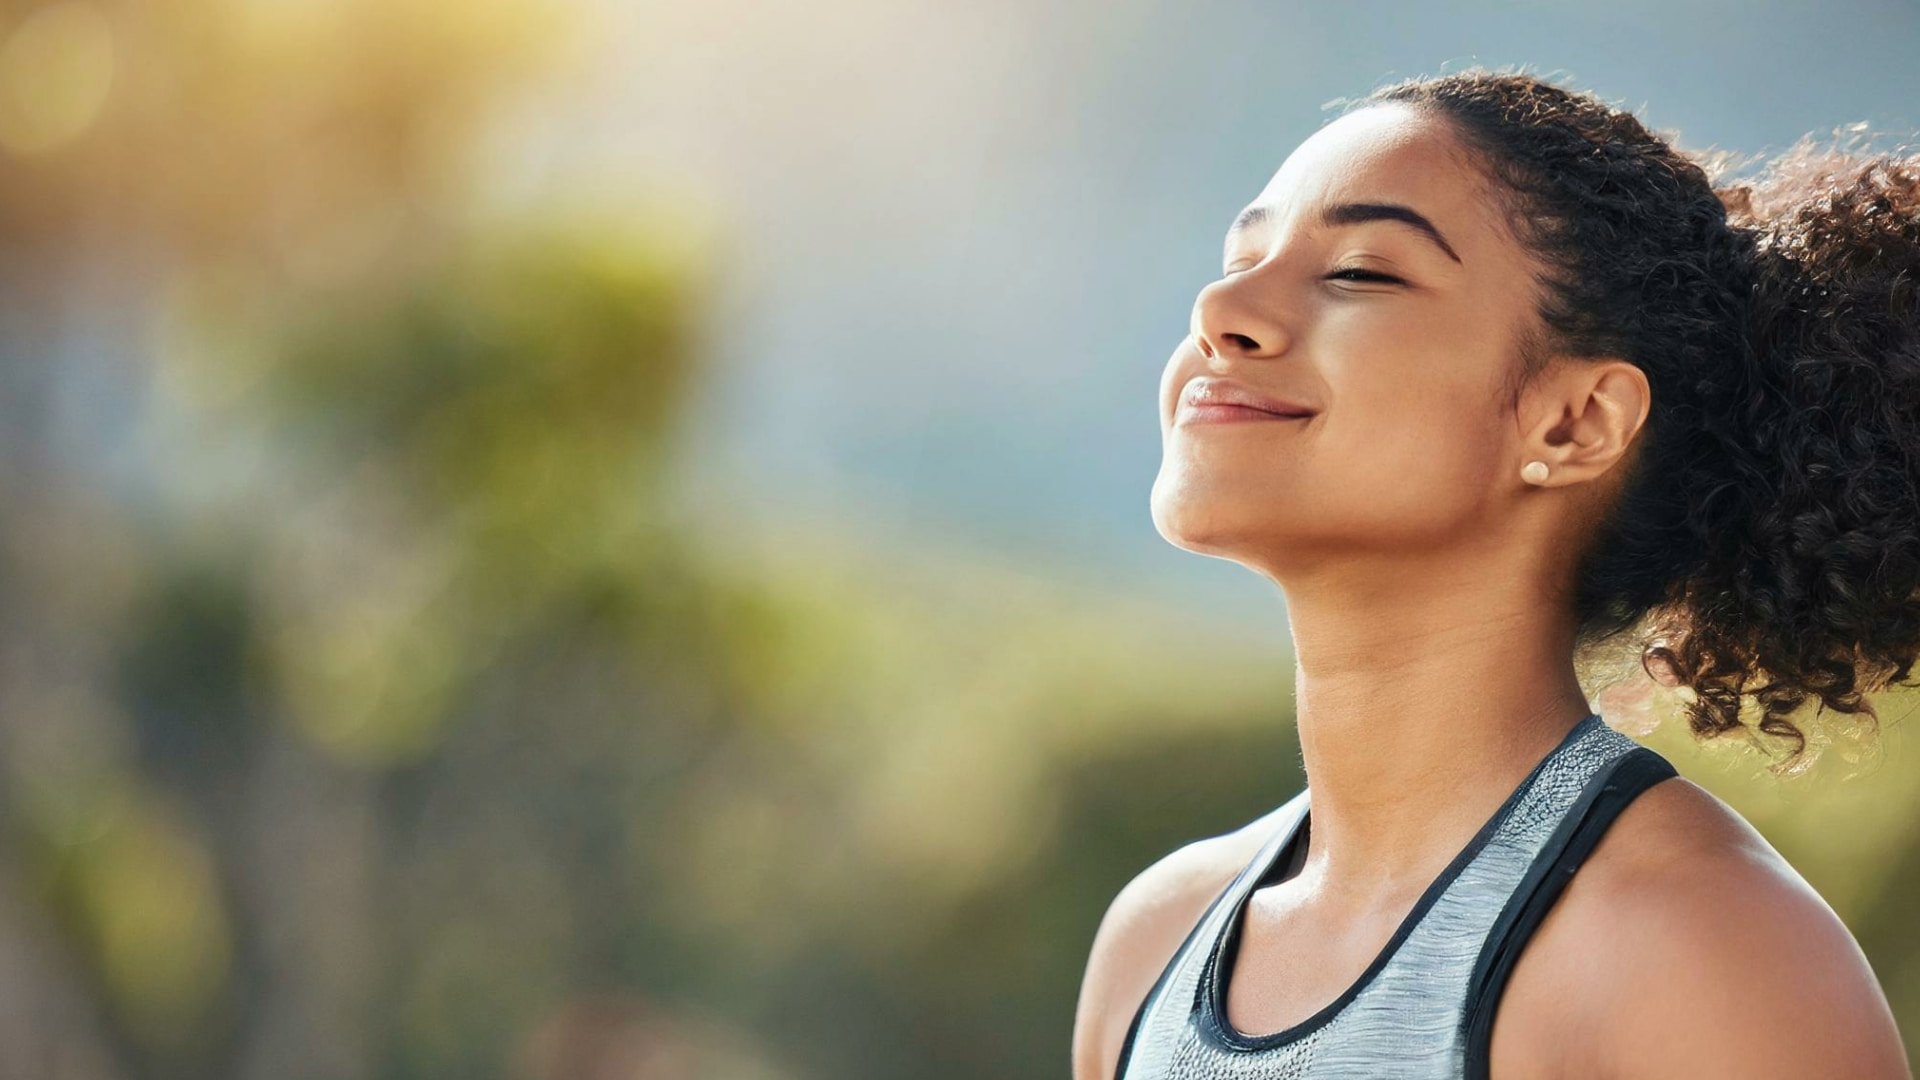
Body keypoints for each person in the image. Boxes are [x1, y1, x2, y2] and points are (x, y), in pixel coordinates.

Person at [1072, 67, 1918, 1080]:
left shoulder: (1704, 951)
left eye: (1362, 274)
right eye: (1241, 258)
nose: (1221, 309)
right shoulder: (1156, 939)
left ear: (1576, 423)